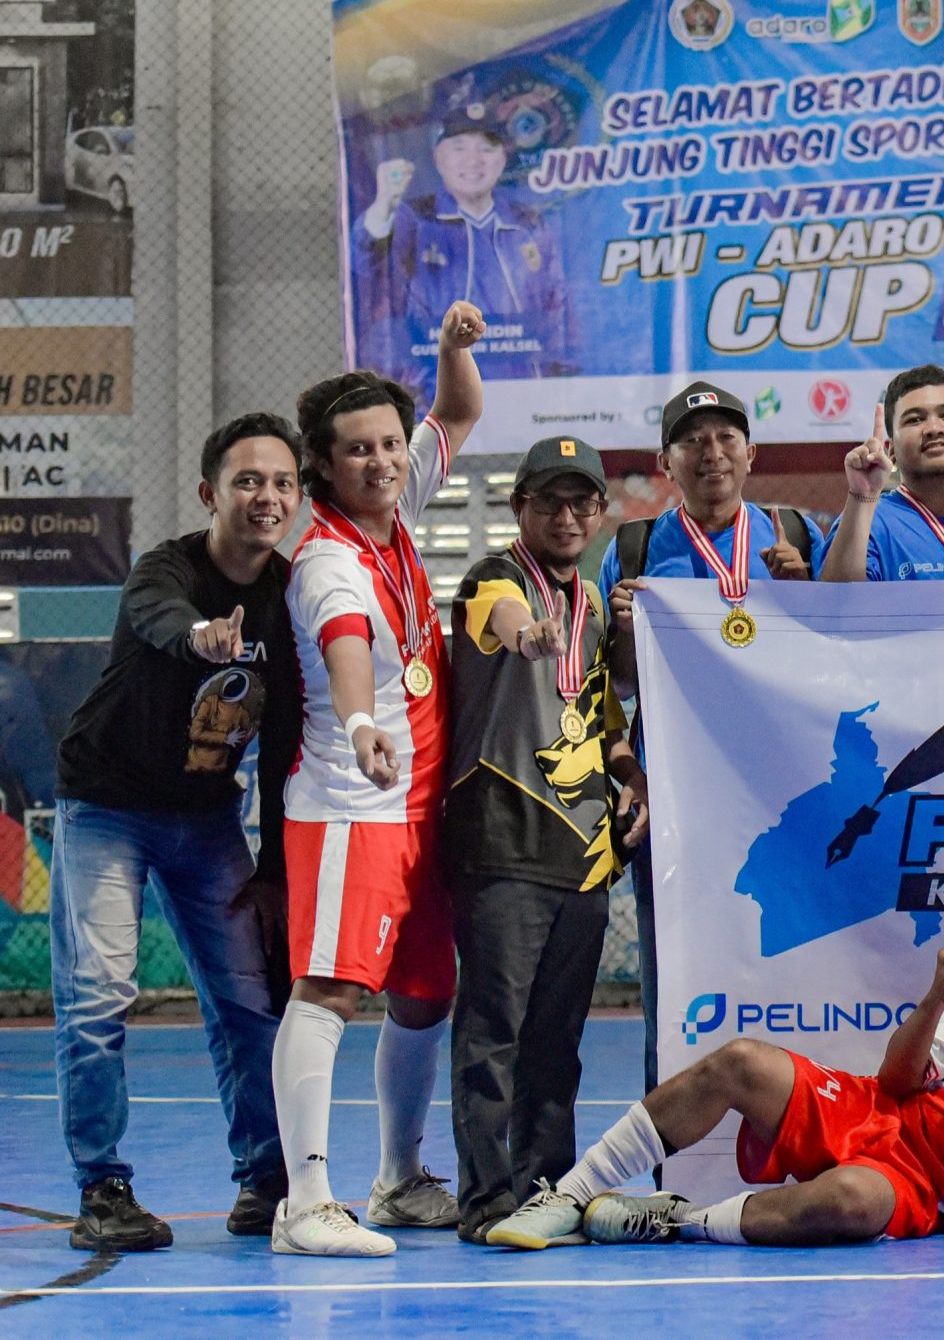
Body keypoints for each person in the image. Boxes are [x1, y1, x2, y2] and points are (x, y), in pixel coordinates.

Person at [484, 881, 944, 1246]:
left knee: (849, 1203)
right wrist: (938, 994)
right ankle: (566, 1196)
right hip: (882, 1114)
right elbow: (897, 1081)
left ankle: (677, 1220)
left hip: (920, 1190)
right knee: (740, 1060)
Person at [49, 415, 306, 1250]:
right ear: (210, 493)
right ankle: (103, 1188)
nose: (266, 496)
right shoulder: (166, 569)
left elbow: (284, 740)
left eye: (281, 483)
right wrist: (201, 637)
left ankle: (265, 1181)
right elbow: (160, 614)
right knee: (97, 997)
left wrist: (272, 865)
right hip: (106, 808)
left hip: (207, 820)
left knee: (251, 1002)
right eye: (247, 481)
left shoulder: (292, 595)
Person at [270, 301, 486, 1256]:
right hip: (351, 805)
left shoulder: (397, 509)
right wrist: (360, 725)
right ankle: (306, 1204)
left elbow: (460, 413)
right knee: (328, 990)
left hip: (419, 810)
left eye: (391, 444)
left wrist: (448, 352)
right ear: (323, 465)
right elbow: (346, 646)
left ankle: (399, 1180)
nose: (382, 461)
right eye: (358, 450)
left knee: (425, 992)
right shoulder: (327, 560)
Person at [443, 436, 649, 1243]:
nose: (567, 517)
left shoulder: (592, 604)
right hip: (502, 841)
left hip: (583, 854)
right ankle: (486, 1198)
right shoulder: (492, 578)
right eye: (549, 502)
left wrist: (631, 774)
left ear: (600, 513)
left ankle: (543, 1187)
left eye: (581, 503)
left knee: (557, 1040)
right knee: (492, 1029)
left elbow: (602, 714)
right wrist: (528, 633)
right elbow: (505, 620)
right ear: (519, 507)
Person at [601, 379, 826, 1088]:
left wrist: (806, 594)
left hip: (783, 798)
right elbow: (621, 684)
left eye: (727, 437)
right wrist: (624, 630)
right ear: (665, 462)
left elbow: (838, 665)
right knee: (677, 982)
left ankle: (796, 1120)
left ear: (752, 453)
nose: (712, 452)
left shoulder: (796, 535)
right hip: (679, 801)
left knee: (796, 968)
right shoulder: (635, 546)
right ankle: (676, 1145)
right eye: (692, 441)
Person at [356, 98, 566, 390]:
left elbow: (557, 305)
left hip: (521, 392)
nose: (473, 160)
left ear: (503, 158)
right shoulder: (414, 219)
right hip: (434, 394)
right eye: (459, 148)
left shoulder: (528, 224)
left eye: (486, 148)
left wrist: (560, 385)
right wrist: (383, 206)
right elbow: (367, 259)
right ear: (438, 158)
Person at [820, 366, 944, 582]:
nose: (934, 428)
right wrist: (862, 497)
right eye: (914, 420)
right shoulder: (867, 523)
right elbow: (838, 600)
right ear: (890, 449)